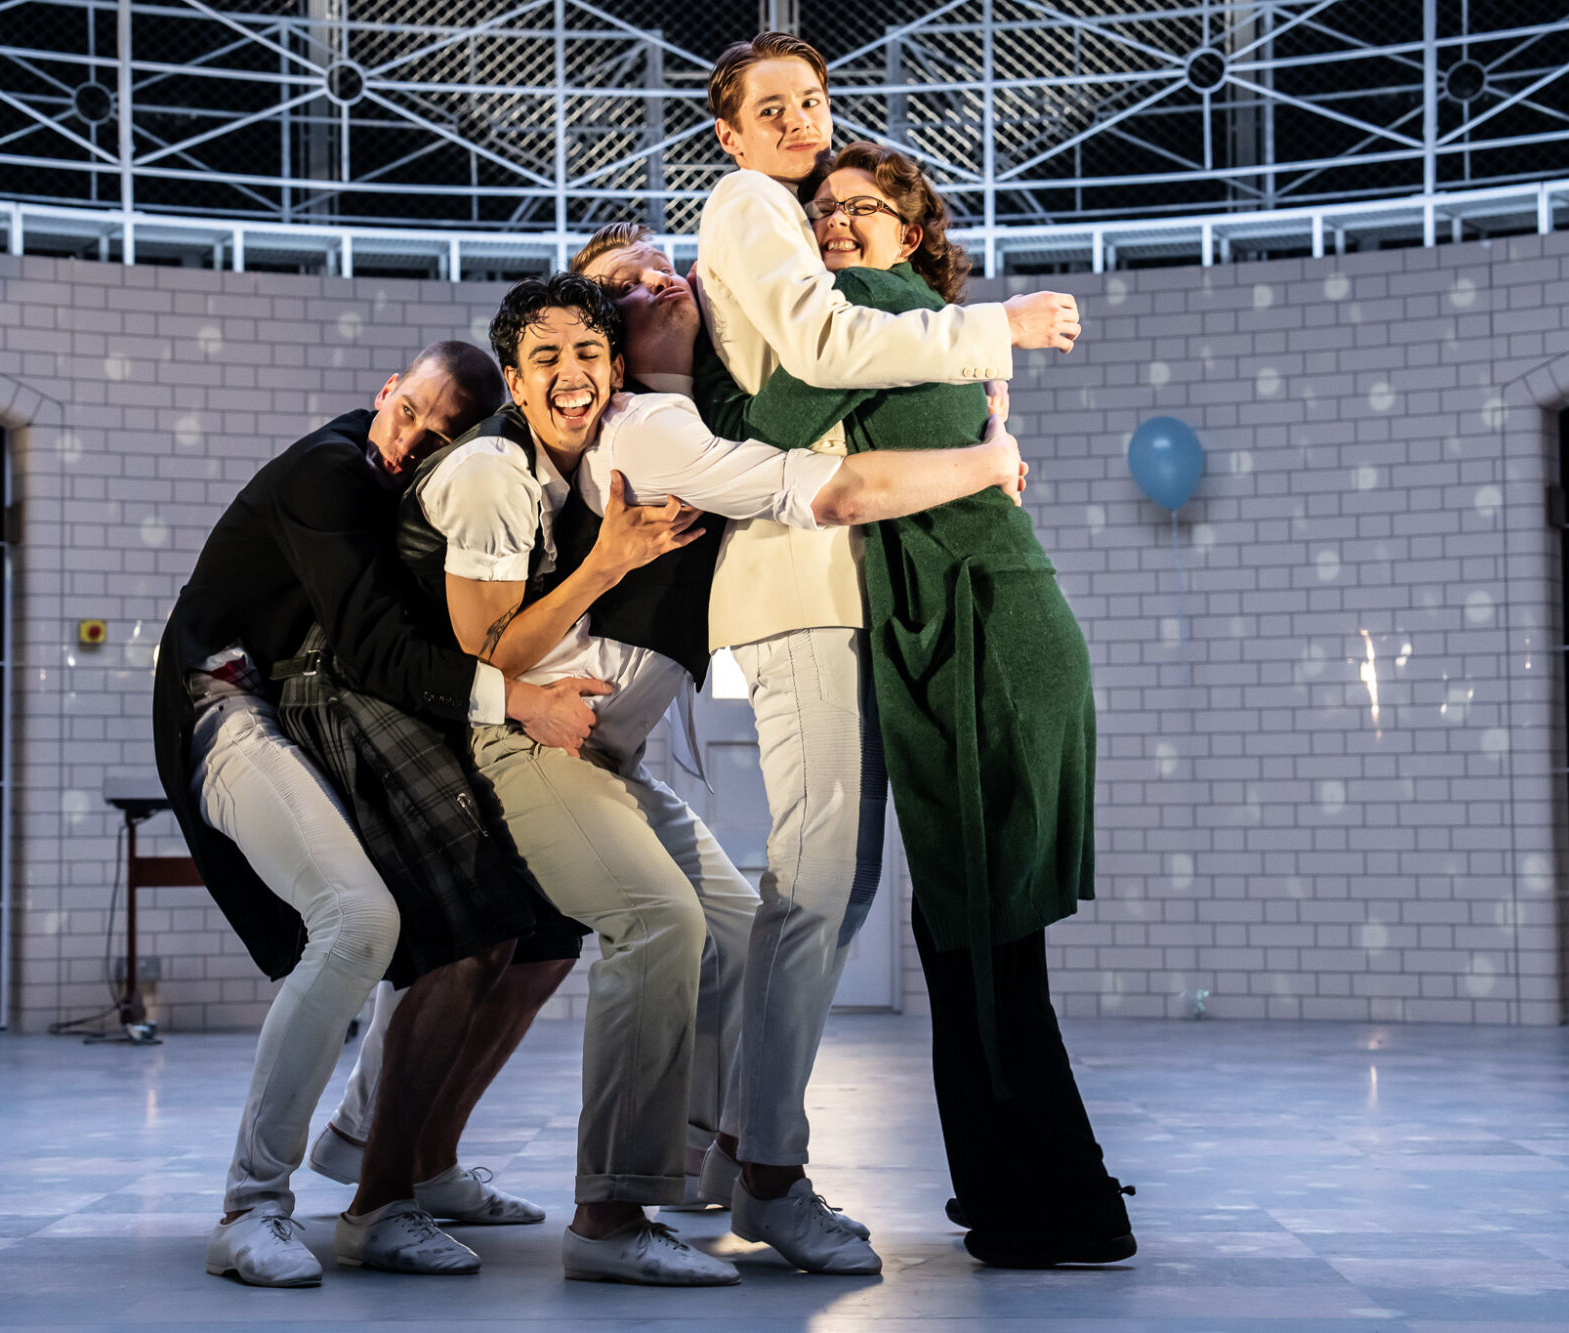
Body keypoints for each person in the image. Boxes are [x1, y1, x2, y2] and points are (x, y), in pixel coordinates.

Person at [392, 272, 1028, 1284]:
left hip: (606, 753)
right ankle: (607, 1208)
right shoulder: (637, 433)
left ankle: (712, 1164)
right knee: (661, 925)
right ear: (521, 372)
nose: (664, 281)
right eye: (628, 286)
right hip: (539, 741)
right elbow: (823, 491)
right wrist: (983, 458)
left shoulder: (647, 422)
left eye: (663, 270)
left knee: (733, 934)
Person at [648, 28, 1084, 1276]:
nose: (800, 121)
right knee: (816, 889)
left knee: (824, 898)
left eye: (814, 101)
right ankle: (767, 1177)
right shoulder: (746, 205)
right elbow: (822, 353)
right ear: (727, 137)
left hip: (839, 590)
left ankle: (735, 1148)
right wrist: (992, 327)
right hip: (800, 591)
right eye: (771, 106)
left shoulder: (774, 215)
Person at [150, 341, 617, 1285]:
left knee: (513, 926)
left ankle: (397, 1155)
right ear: (386, 390)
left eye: (439, 436)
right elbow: (373, 649)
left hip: (309, 713)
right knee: (359, 922)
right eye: (409, 415)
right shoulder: (327, 474)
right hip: (227, 708)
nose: (410, 444)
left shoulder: (409, 482)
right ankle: (251, 1204)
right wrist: (523, 698)